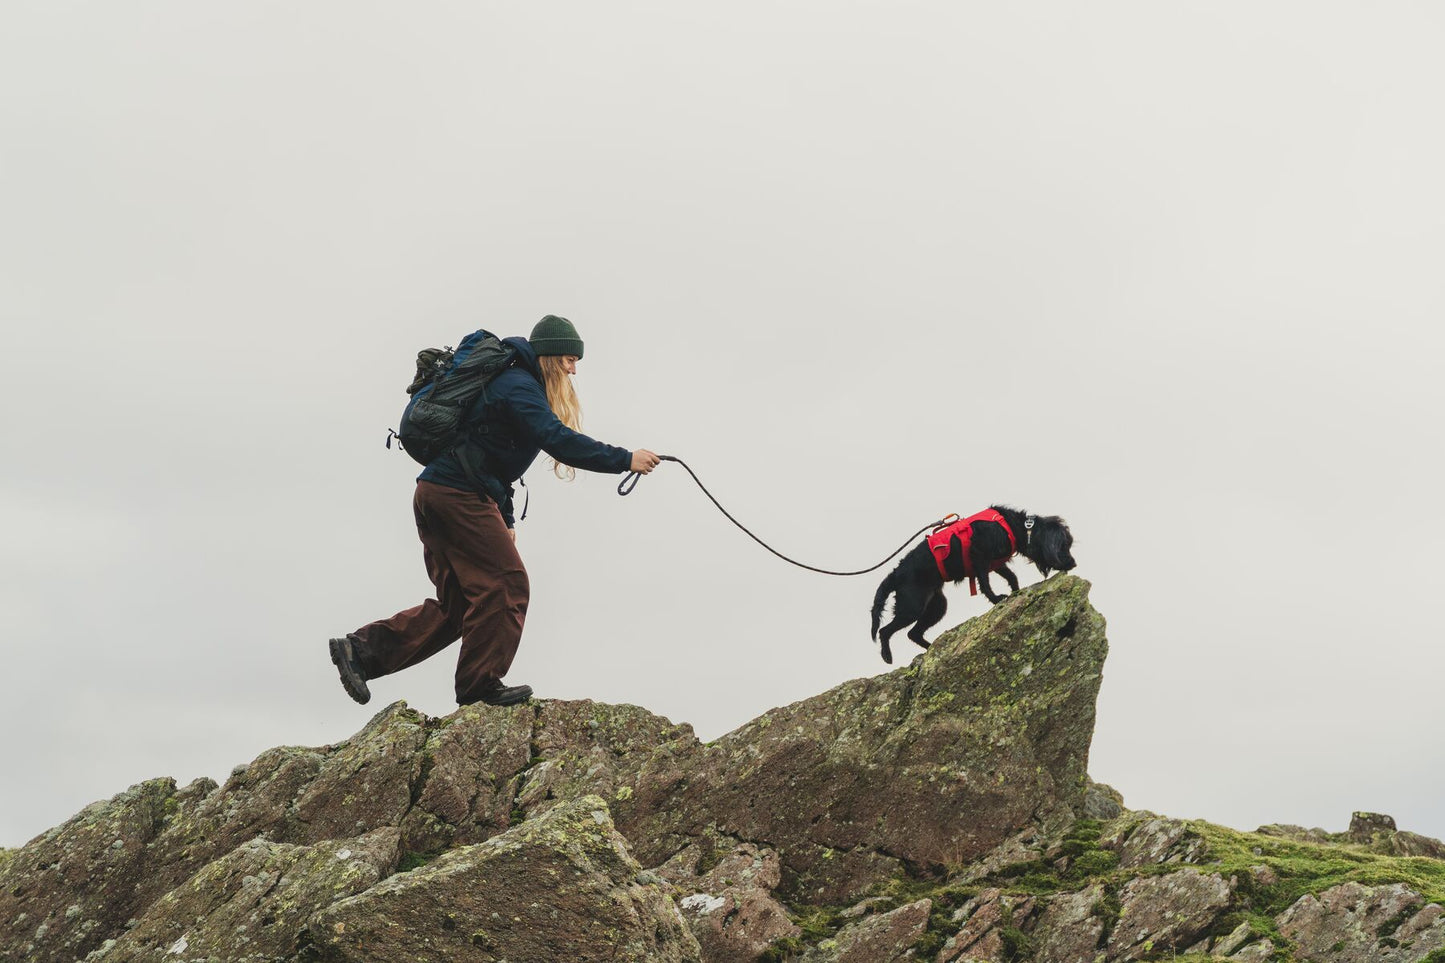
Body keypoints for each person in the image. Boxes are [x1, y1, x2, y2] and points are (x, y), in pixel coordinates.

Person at [329, 315, 661, 707]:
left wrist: (503, 519)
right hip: (456, 495)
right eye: (570, 360)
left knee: (461, 608)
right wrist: (625, 459)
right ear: (551, 355)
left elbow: (488, 459)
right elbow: (558, 440)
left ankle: (361, 652)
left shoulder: (514, 385)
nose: (574, 370)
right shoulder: (519, 386)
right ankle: (479, 687)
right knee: (507, 584)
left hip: (439, 493)